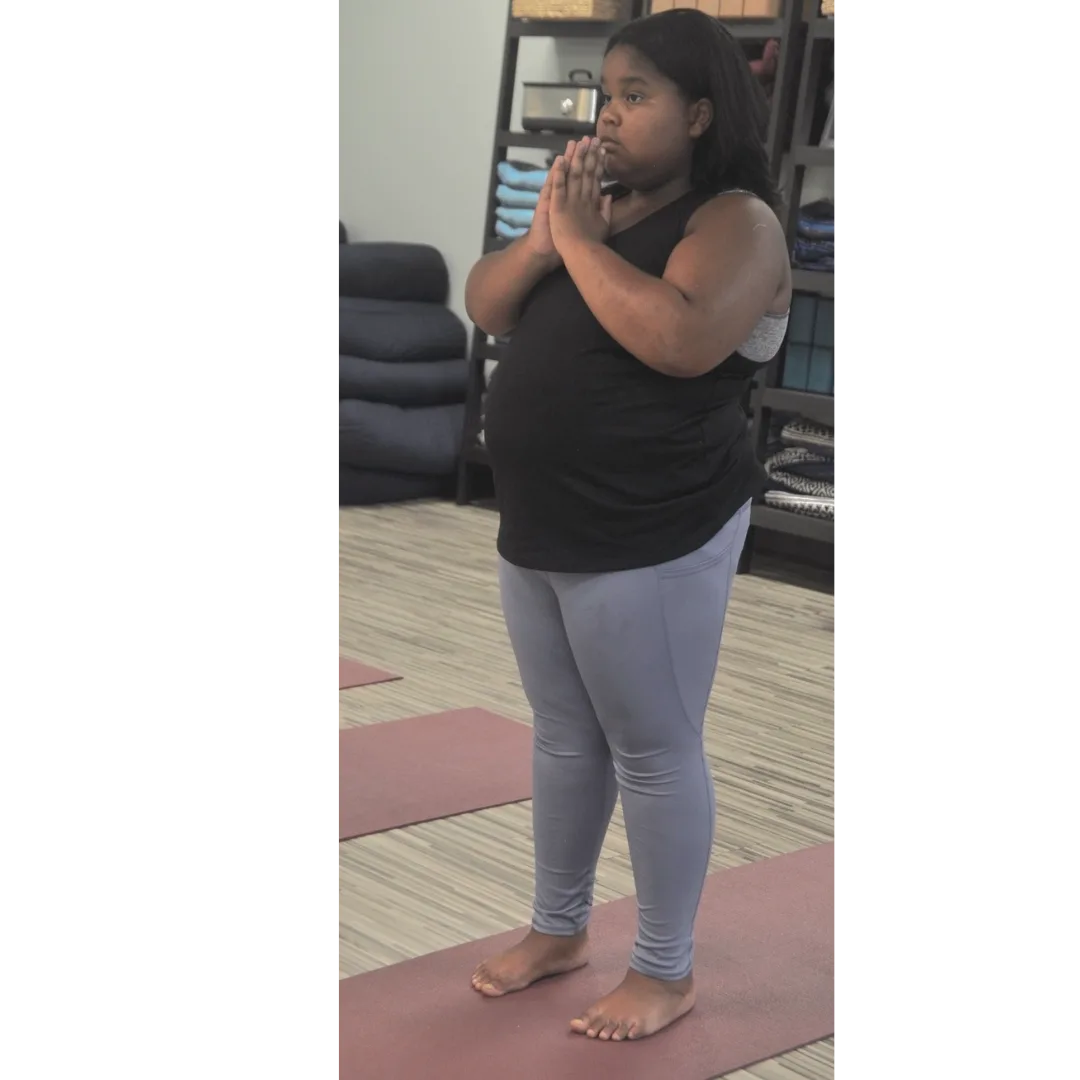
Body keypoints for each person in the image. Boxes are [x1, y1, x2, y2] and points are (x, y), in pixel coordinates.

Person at [464, 7, 791, 1043]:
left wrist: (575, 242)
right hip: (544, 522)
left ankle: (665, 967)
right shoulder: (595, 206)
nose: (607, 118)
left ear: (697, 112)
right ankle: (559, 929)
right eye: (603, 96)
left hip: (654, 529)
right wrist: (553, 236)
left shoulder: (735, 221)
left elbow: (682, 340)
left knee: (650, 748)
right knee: (564, 737)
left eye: (634, 96)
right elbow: (489, 304)